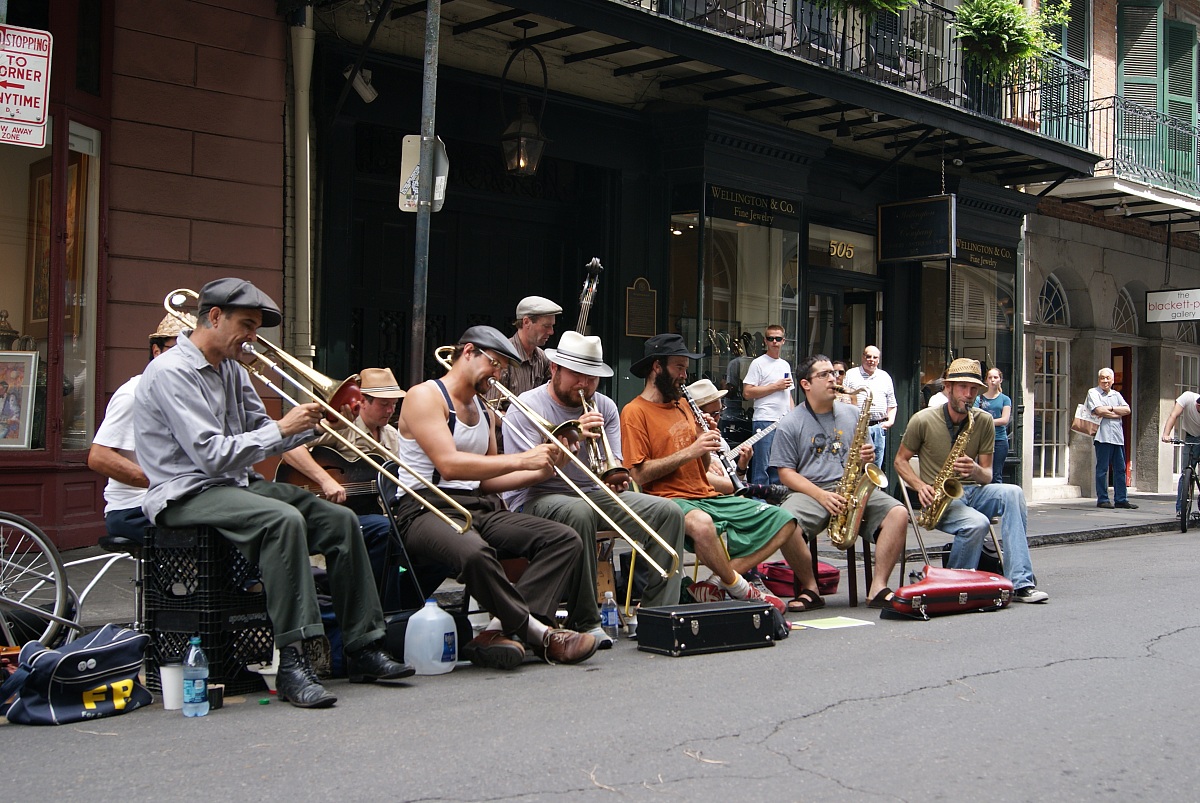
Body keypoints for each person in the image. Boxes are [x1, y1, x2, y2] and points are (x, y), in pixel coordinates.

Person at [135, 278, 413, 709]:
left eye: (255, 328)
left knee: (341, 521)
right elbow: (210, 455)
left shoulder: (231, 369)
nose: (252, 338)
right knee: (283, 521)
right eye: (246, 326)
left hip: (236, 485)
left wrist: (319, 423)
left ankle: (363, 645)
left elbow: (262, 434)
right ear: (214, 317)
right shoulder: (171, 372)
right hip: (185, 491)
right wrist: (283, 427)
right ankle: (293, 662)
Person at [393, 325, 596, 669]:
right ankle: (542, 635)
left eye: (503, 368)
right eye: (495, 364)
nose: (498, 375)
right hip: (426, 508)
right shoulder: (425, 396)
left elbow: (487, 481)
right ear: (468, 352)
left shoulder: (483, 410)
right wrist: (523, 459)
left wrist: (548, 467)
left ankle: (496, 630)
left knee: (564, 539)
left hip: (477, 506)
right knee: (475, 552)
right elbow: (449, 465)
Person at [502, 331, 686, 647]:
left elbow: (611, 465)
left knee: (668, 512)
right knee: (580, 511)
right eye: (577, 375)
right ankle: (585, 619)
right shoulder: (527, 406)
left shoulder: (605, 406)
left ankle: (658, 615)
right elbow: (525, 474)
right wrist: (568, 441)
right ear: (555, 369)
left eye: (592, 378)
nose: (584, 385)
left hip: (591, 494)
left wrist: (615, 477)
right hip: (535, 496)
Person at [620, 334, 824, 614]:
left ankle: (714, 584)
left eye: (685, 368)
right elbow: (639, 475)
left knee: (784, 520)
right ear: (657, 367)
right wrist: (692, 449)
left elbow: (701, 464)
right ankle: (741, 588)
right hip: (668, 500)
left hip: (706, 495)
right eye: (679, 367)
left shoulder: (683, 405)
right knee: (703, 524)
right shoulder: (634, 412)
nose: (685, 375)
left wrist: (704, 439)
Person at [893, 357, 1049, 603]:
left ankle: (1021, 583)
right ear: (948, 388)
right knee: (977, 522)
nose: (969, 394)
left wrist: (975, 469)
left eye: (974, 389)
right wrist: (920, 486)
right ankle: (953, 586)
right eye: (963, 387)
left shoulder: (983, 420)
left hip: (973, 492)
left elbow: (987, 475)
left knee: (1014, 492)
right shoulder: (923, 419)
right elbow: (900, 461)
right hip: (939, 499)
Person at [771, 355, 909, 607]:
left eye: (833, 373)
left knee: (898, 513)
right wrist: (821, 495)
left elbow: (864, 460)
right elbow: (785, 473)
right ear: (805, 384)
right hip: (811, 491)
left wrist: (867, 458)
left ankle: (878, 587)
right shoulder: (790, 422)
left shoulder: (854, 413)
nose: (833, 379)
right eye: (824, 375)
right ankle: (810, 589)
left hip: (853, 487)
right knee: (783, 522)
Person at [278, 367, 407, 607]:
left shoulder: (392, 436)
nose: (390, 411)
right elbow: (288, 446)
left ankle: (390, 605)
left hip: (372, 515)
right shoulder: (341, 425)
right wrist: (325, 479)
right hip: (332, 514)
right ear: (363, 402)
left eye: (393, 405)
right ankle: (380, 609)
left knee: (408, 535)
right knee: (387, 531)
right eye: (384, 404)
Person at [88, 314, 184, 545]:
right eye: (177, 350)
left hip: (172, 502)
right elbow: (99, 457)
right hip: (134, 509)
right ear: (157, 351)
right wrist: (163, 483)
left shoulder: (184, 395)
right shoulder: (134, 394)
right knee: (217, 538)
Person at [487, 295, 562, 408]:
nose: (551, 332)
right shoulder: (501, 357)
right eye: (546, 326)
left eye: (552, 326)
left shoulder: (542, 357)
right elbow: (491, 408)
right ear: (526, 322)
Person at [741, 324, 793, 485]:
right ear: (765, 341)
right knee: (761, 466)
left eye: (778, 338)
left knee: (779, 465)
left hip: (783, 421)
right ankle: (759, 497)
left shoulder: (785, 364)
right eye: (770, 339)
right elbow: (747, 392)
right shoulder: (758, 363)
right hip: (764, 419)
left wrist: (793, 417)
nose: (774, 342)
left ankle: (776, 496)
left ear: (783, 341)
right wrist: (775, 386)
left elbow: (788, 394)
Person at [684, 379, 753, 495]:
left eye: (720, 411)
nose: (717, 417)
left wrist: (742, 466)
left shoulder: (720, 441)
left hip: (727, 498)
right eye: (713, 413)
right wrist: (705, 462)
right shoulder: (685, 443)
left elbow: (738, 485)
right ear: (695, 414)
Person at [1087, 367, 1137, 509]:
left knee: (1120, 469)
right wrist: (1116, 412)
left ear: (1113, 380)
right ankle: (1103, 499)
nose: (1105, 381)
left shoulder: (1116, 394)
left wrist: (1109, 409)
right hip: (1102, 436)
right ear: (1098, 380)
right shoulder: (1093, 392)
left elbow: (1127, 410)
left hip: (1117, 436)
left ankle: (1121, 499)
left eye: (1108, 378)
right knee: (1102, 469)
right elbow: (1098, 410)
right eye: (1102, 378)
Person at [843, 345, 897, 468]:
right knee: (854, 464)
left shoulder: (885, 377)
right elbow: (844, 398)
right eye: (868, 356)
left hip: (878, 428)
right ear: (863, 357)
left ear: (879, 360)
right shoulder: (851, 374)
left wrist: (890, 422)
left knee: (875, 468)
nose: (871, 360)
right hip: (857, 427)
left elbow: (892, 404)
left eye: (875, 357)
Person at [1160, 390, 1200, 514]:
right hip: (1191, 436)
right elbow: (1174, 415)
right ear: (1197, 404)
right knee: (1185, 472)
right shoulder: (1188, 397)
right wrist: (1166, 434)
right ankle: (1181, 509)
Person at [976, 367, 1012, 484]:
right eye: (990, 377)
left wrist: (987, 421)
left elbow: (1005, 420)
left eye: (995, 377)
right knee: (983, 475)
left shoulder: (1005, 399)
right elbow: (975, 418)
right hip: (983, 440)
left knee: (996, 475)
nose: (992, 380)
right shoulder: (979, 399)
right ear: (986, 380)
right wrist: (993, 421)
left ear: (1000, 380)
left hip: (999, 440)